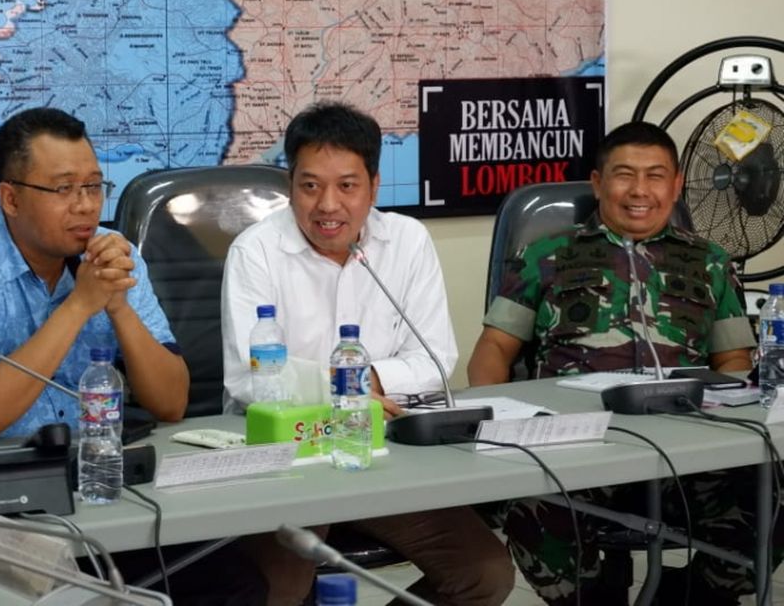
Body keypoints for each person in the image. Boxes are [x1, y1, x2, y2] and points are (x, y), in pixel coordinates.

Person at [222, 102, 514, 606]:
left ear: (374, 186)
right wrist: (351, 391)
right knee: (279, 589)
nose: (327, 205)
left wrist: (358, 388)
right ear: (289, 185)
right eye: (310, 185)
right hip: (290, 456)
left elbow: (434, 358)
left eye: (347, 186)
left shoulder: (407, 241)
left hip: (383, 453)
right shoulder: (256, 251)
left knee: (484, 573)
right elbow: (247, 380)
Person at [467, 121, 766, 605]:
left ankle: (696, 594)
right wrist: (499, 420)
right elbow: (494, 349)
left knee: (770, 493)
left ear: (675, 186)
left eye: (655, 176)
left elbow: (733, 360)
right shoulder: (547, 255)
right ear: (598, 183)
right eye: (625, 175)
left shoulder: (710, 261)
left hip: (689, 452)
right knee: (531, 513)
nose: (639, 191)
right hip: (576, 451)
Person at [0, 107, 189, 443]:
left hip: (91, 464)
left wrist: (119, 307)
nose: (85, 205)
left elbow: (171, 405)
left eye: (94, 186)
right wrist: (79, 304)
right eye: (64, 189)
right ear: (11, 199)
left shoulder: (113, 255)